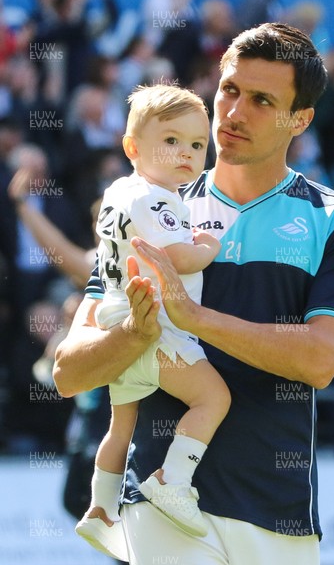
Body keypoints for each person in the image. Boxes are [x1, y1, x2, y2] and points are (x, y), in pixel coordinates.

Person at [54, 23, 334, 564]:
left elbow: (321, 360)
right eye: (228, 89)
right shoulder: (143, 204)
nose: (233, 112)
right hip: (161, 507)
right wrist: (135, 332)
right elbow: (69, 373)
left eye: (261, 100)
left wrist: (194, 317)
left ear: (300, 119)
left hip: (280, 510)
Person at [74, 84, 230, 561]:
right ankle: (172, 479)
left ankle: (100, 508)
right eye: (172, 141)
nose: (186, 153)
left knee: (120, 429)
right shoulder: (156, 198)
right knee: (212, 397)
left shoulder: (118, 191)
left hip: (118, 326)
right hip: (156, 326)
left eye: (197, 145)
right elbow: (178, 257)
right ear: (132, 147)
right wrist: (208, 246)